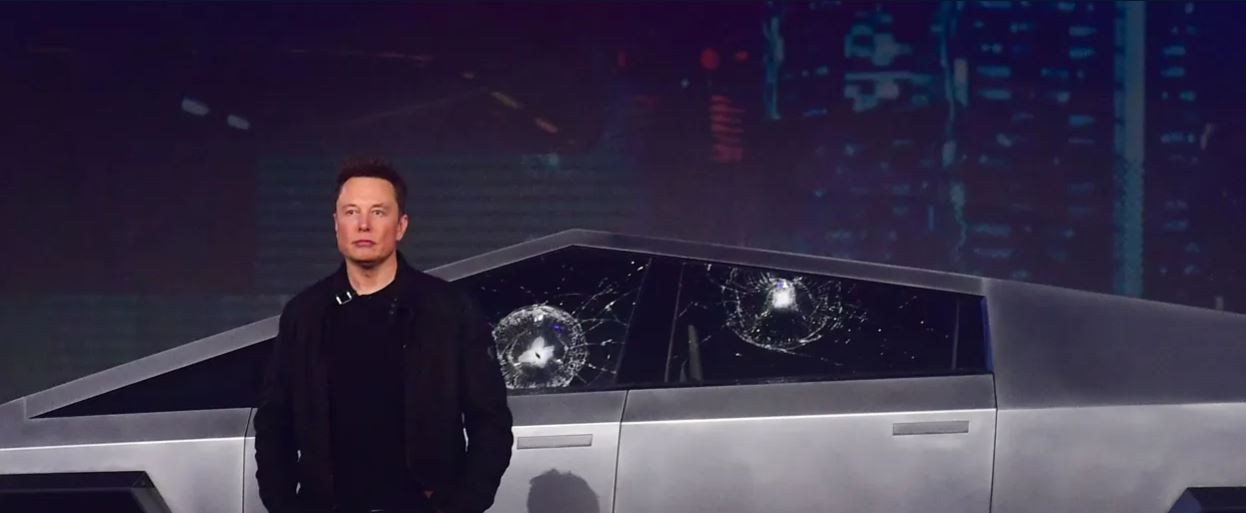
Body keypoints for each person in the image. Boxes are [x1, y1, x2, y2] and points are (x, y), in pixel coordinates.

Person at [254, 159, 513, 513]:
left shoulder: (449, 309)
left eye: (378, 212)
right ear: (336, 224)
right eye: (351, 212)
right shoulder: (304, 314)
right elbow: (274, 423)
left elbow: (490, 420)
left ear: (401, 225)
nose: (363, 224)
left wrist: (462, 506)